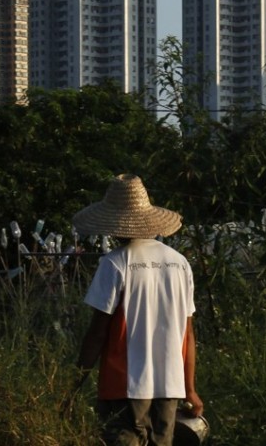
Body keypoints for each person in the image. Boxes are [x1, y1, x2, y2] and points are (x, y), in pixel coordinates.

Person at [70, 173, 204, 446]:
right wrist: (190, 389)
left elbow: (97, 333)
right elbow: (187, 335)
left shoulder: (115, 263)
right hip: (170, 385)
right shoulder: (179, 264)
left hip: (124, 384)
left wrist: (74, 383)